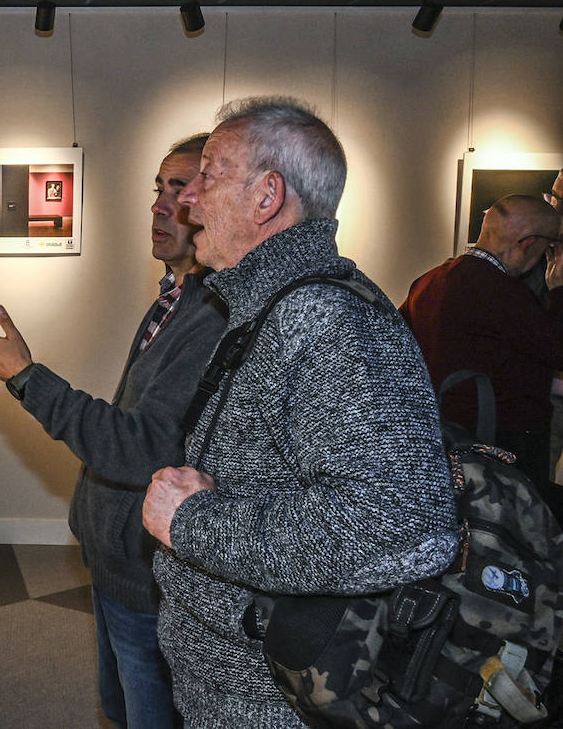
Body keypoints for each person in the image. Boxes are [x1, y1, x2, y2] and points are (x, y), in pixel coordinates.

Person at [140, 96, 459, 727]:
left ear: (267, 197)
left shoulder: (323, 319)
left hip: (275, 700)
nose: (188, 199)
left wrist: (195, 520)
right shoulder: (267, 306)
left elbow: (399, 523)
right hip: (235, 685)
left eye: (209, 174)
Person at [0, 135, 227, 728]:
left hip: (147, 573)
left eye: (180, 190)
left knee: (147, 711)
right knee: (120, 705)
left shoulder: (212, 318)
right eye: (158, 190)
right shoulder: (175, 299)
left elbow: (142, 447)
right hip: (117, 559)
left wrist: (28, 378)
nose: (161, 207)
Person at [399, 193, 563, 492]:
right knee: (514, 534)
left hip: (441, 438)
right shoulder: (505, 294)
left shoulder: (428, 281)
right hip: (506, 443)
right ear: (528, 243)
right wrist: (558, 290)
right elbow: (556, 347)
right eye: (548, 246)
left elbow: (400, 347)